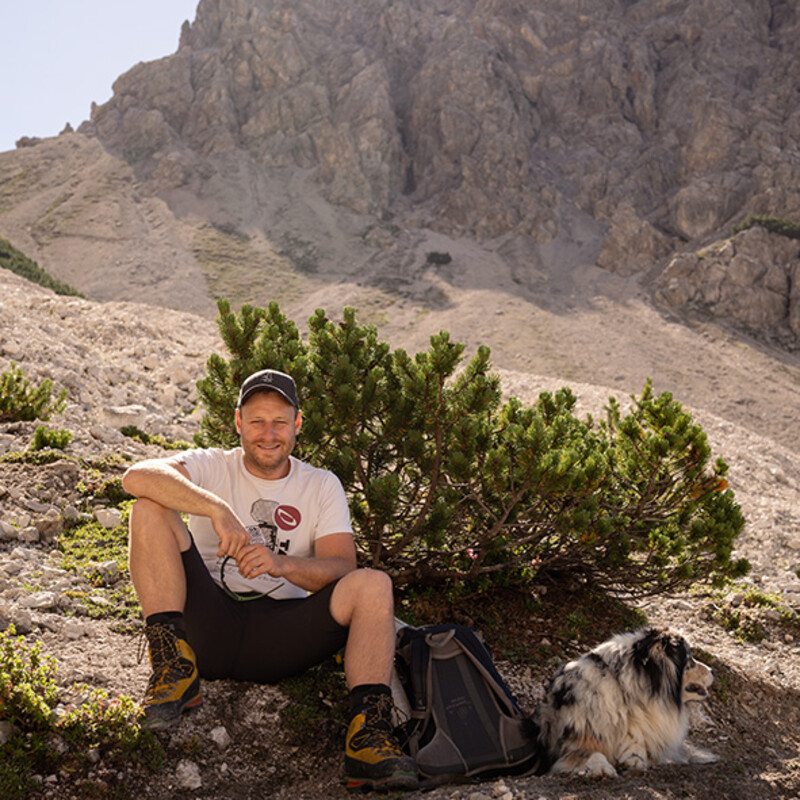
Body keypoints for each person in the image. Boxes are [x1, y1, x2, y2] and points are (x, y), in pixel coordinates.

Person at [122, 368, 418, 792]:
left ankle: (368, 736)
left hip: (283, 634)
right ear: (238, 422)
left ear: (297, 423)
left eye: (280, 422)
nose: (268, 433)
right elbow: (136, 476)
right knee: (148, 508)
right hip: (208, 622)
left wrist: (282, 565)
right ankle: (173, 667)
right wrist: (216, 509)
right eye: (257, 421)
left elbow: (343, 567)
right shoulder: (214, 465)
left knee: (373, 584)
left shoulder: (321, 484)